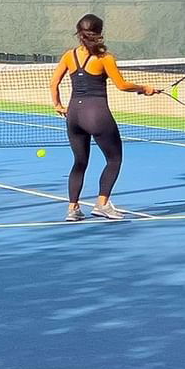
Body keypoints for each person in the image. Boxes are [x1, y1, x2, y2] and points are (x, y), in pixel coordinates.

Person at [49, 14, 160, 221]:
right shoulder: (105, 58)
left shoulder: (68, 55)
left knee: (79, 162)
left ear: (79, 32)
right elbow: (122, 85)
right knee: (114, 159)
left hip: (73, 115)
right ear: (99, 33)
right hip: (97, 115)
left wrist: (58, 105)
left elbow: (53, 83)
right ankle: (102, 204)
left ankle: (72, 209)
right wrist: (144, 88)